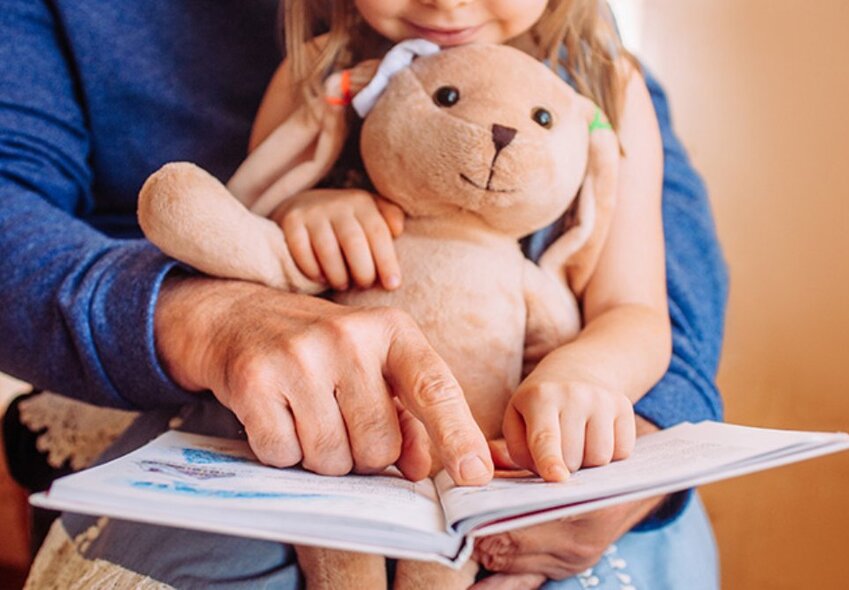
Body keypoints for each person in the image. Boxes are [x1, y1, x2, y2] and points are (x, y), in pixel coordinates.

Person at [0, 0, 727, 588]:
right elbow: (254, 231)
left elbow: (635, 309)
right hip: (320, 450)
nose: (445, 3)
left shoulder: (605, 88)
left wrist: (590, 376)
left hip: (506, 461)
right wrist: (307, 213)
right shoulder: (321, 70)